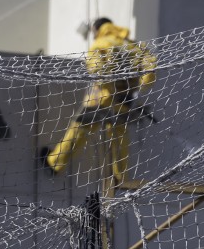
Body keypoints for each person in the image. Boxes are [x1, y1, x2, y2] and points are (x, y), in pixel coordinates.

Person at [41, 17, 157, 181]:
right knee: (119, 137)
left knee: (79, 131)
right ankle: (120, 178)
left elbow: (97, 70)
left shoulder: (101, 43)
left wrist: (109, 84)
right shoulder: (135, 46)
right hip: (123, 100)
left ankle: (54, 163)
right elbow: (150, 73)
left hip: (100, 98)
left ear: (97, 29)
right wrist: (137, 89)